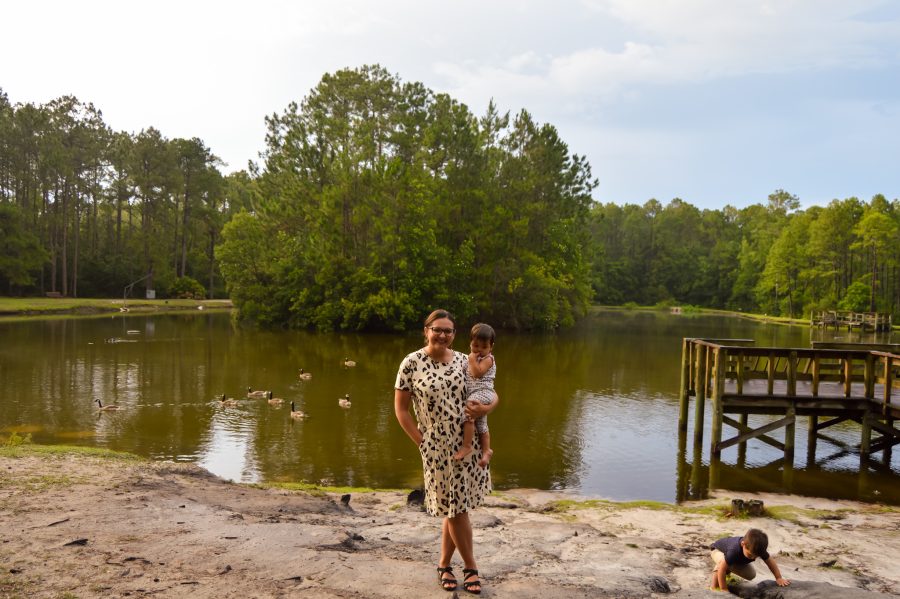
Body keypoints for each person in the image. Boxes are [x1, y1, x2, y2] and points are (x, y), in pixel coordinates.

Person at [394, 309, 497, 595]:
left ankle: (443, 564)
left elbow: (489, 389)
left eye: (448, 331)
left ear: (454, 335)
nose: (442, 335)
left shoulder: (466, 361)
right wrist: (421, 441)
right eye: (437, 329)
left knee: (455, 508)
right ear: (426, 331)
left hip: (468, 444)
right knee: (456, 509)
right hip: (436, 448)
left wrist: (488, 407)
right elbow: (400, 410)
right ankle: (471, 567)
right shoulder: (411, 363)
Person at [453, 323, 497, 468]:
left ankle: (467, 445)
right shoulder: (470, 360)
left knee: (469, 411)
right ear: (470, 343)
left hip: (484, 392)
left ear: (491, 347)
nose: (479, 350)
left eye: (484, 347)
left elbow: (477, 374)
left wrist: (471, 359)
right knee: (481, 424)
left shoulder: (488, 359)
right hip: (476, 393)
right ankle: (486, 451)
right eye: (475, 346)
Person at [709, 528, 790, 591]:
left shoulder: (758, 548)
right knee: (722, 565)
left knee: (751, 574)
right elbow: (722, 569)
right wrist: (724, 589)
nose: (753, 558)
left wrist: (778, 578)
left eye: (756, 556)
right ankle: (713, 587)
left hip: (733, 558)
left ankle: (727, 569)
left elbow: (770, 561)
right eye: (751, 555)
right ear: (743, 544)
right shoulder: (734, 550)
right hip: (717, 551)